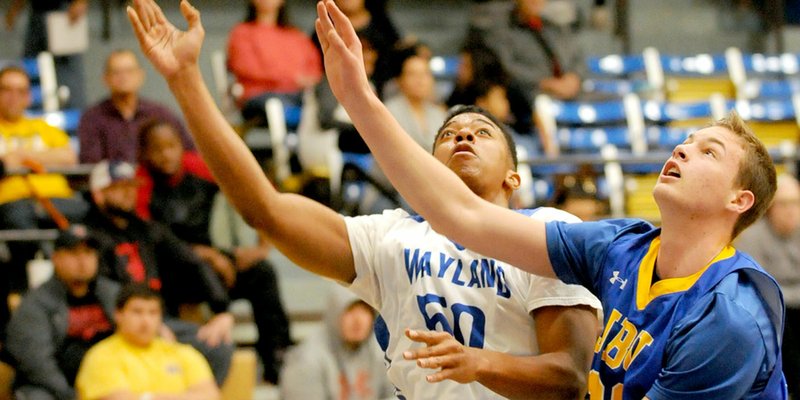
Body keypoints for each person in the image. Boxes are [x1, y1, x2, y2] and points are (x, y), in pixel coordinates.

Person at [125, 2, 602, 399]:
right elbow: (263, 210)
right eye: (449, 134)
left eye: (482, 133)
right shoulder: (390, 236)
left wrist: (479, 363)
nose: (463, 137)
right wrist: (185, 79)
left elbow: (569, 379)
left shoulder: (548, 232)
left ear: (515, 176)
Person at [312, 1, 787, 398]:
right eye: (686, 139)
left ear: (738, 200)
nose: (682, 148)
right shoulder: (620, 246)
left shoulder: (730, 320)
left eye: (709, 151)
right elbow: (463, 216)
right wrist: (358, 97)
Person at [135, 119, 293, 384]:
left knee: (262, 274)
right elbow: (150, 238)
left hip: (217, 262)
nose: (166, 155)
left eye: (172, 146)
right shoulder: (141, 184)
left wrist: (262, 247)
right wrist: (207, 256)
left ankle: (275, 358)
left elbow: (259, 188)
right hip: (172, 272)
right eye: (157, 149)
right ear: (145, 153)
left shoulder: (197, 166)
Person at [5, 225, 232, 399]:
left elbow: (145, 317)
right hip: (59, 384)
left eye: (88, 253)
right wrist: (71, 395)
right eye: (74, 254)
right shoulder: (35, 305)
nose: (83, 261)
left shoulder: (111, 291)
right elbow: (37, 364)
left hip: (115, 372)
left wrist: (210, 326)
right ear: (56, 259)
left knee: (214, 343)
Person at [83, 160, 235, 383]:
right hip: (112, 324)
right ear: (98, 194)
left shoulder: (148, 230)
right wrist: (147, 324)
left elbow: (192, 262)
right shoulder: (87, 237)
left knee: (218, 345)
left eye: (132, 187)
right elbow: (104, 288)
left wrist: (221, 310)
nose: (129, 194)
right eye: (120, 187)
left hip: (160, 317)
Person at [0, 65, 88, 329]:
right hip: (11, 205)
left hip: (59, 202)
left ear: (29, 97)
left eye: (21, 91)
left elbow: (69, 157)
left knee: (86, 217)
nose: (14, 97)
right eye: (6, 90)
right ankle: (23, 294)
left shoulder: (43, 127)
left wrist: (21, 159)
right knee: (18, 221)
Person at [75, 284, 220, 400]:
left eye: (153, 313)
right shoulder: (102, 356)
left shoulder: (182, 353)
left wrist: (146, 397)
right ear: (118, 315)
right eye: (137, 312)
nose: (146, 321)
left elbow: (211, 396)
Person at [737, 173, 800, 399]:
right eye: (784, 204)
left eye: (796, 203)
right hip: (775, 313)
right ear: (771, 207)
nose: (791, 210)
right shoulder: (752, 237)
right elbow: (761, 287)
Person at [77, 49, 194, 164]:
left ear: (140, 75)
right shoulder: (92, 118)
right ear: (105, 79)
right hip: (114, 181)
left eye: (129, 71)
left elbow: (188, 151)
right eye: (116, 72)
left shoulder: (160, 113)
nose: (123, 77)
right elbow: (90, 162)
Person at [280, 285, 393, 400]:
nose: (358, 320)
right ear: (334, 314)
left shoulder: (381, 352)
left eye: (365, 310)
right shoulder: (306, 359)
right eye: (350, 311)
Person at [227, 0, 322, 127]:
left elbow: (314, 71)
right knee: (285, 106)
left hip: (300, 97)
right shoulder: (242, 33)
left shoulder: (297, 36)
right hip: (259, 97)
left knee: (322, 106)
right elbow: (245, 67)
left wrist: (302, 80)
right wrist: (293, 78)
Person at [5, 0, 88, 109]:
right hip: (37, 11)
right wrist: (15, 8)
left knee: (66, 72)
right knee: (32, 67)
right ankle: (30, 109)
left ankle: (74, 113)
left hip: (63, 10)